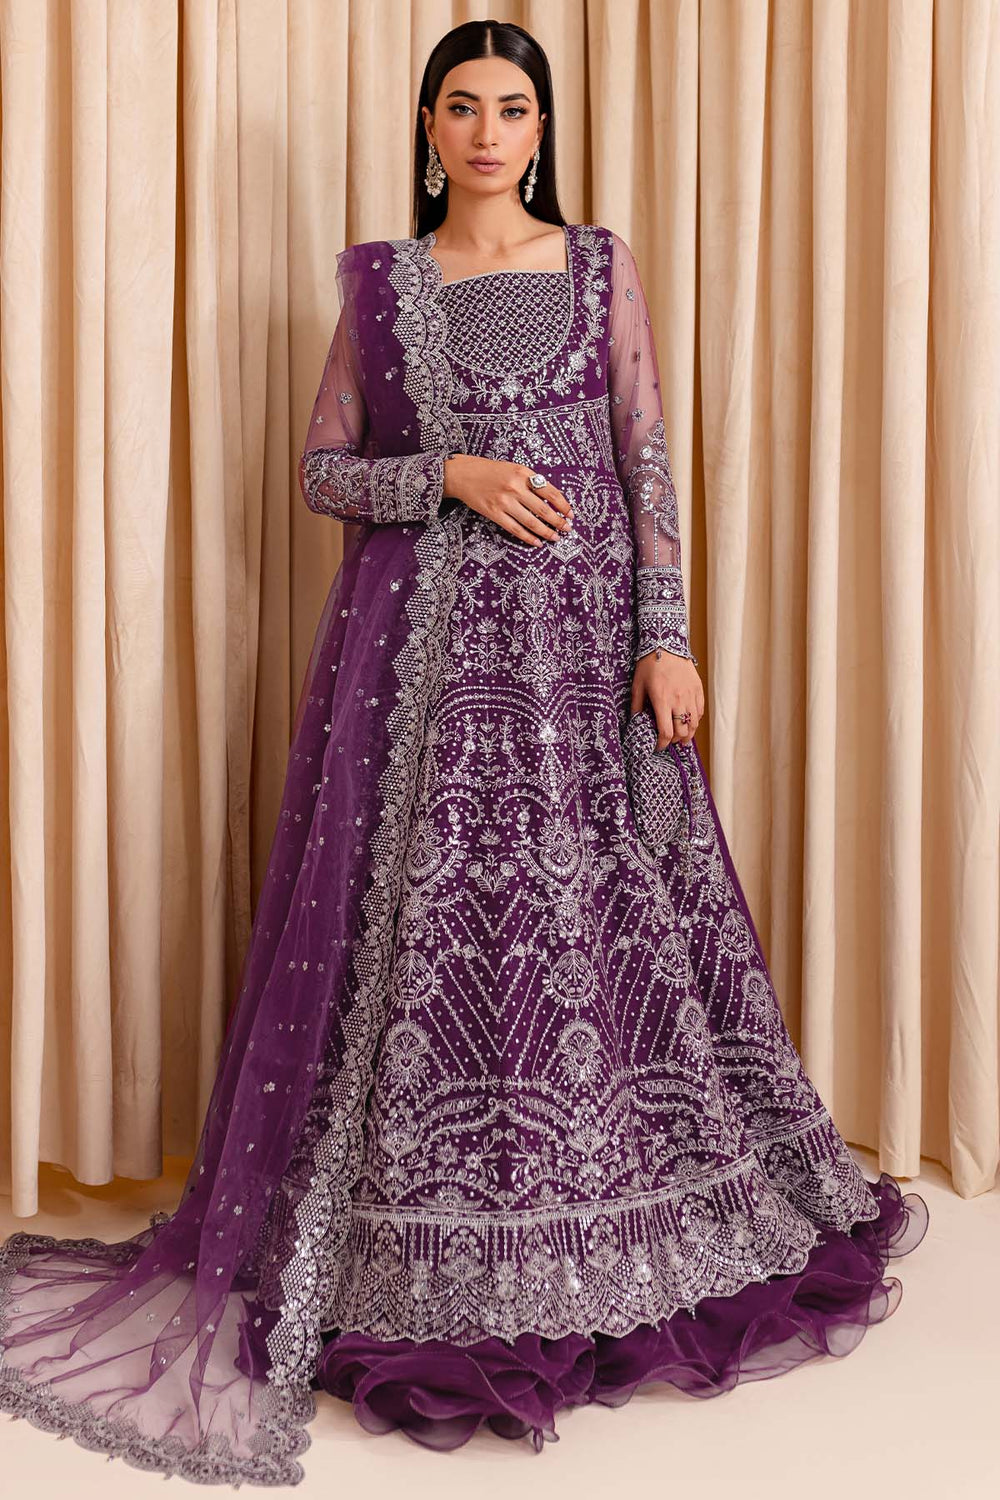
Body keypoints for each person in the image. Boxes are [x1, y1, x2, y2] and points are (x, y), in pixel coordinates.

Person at [0, 18, 927, 1485]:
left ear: (540, 130)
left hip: (582, 659)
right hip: (418, 668)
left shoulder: (600, 268)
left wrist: (668, 639)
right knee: (440, 933)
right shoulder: (386, 285)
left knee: (595, 922)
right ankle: (418, 1239)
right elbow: (324, 470)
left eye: (512, 108)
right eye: (462, 108)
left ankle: (603, 1206)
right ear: (429, 129)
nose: (489, 132)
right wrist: (448, 474)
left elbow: (643, 461)